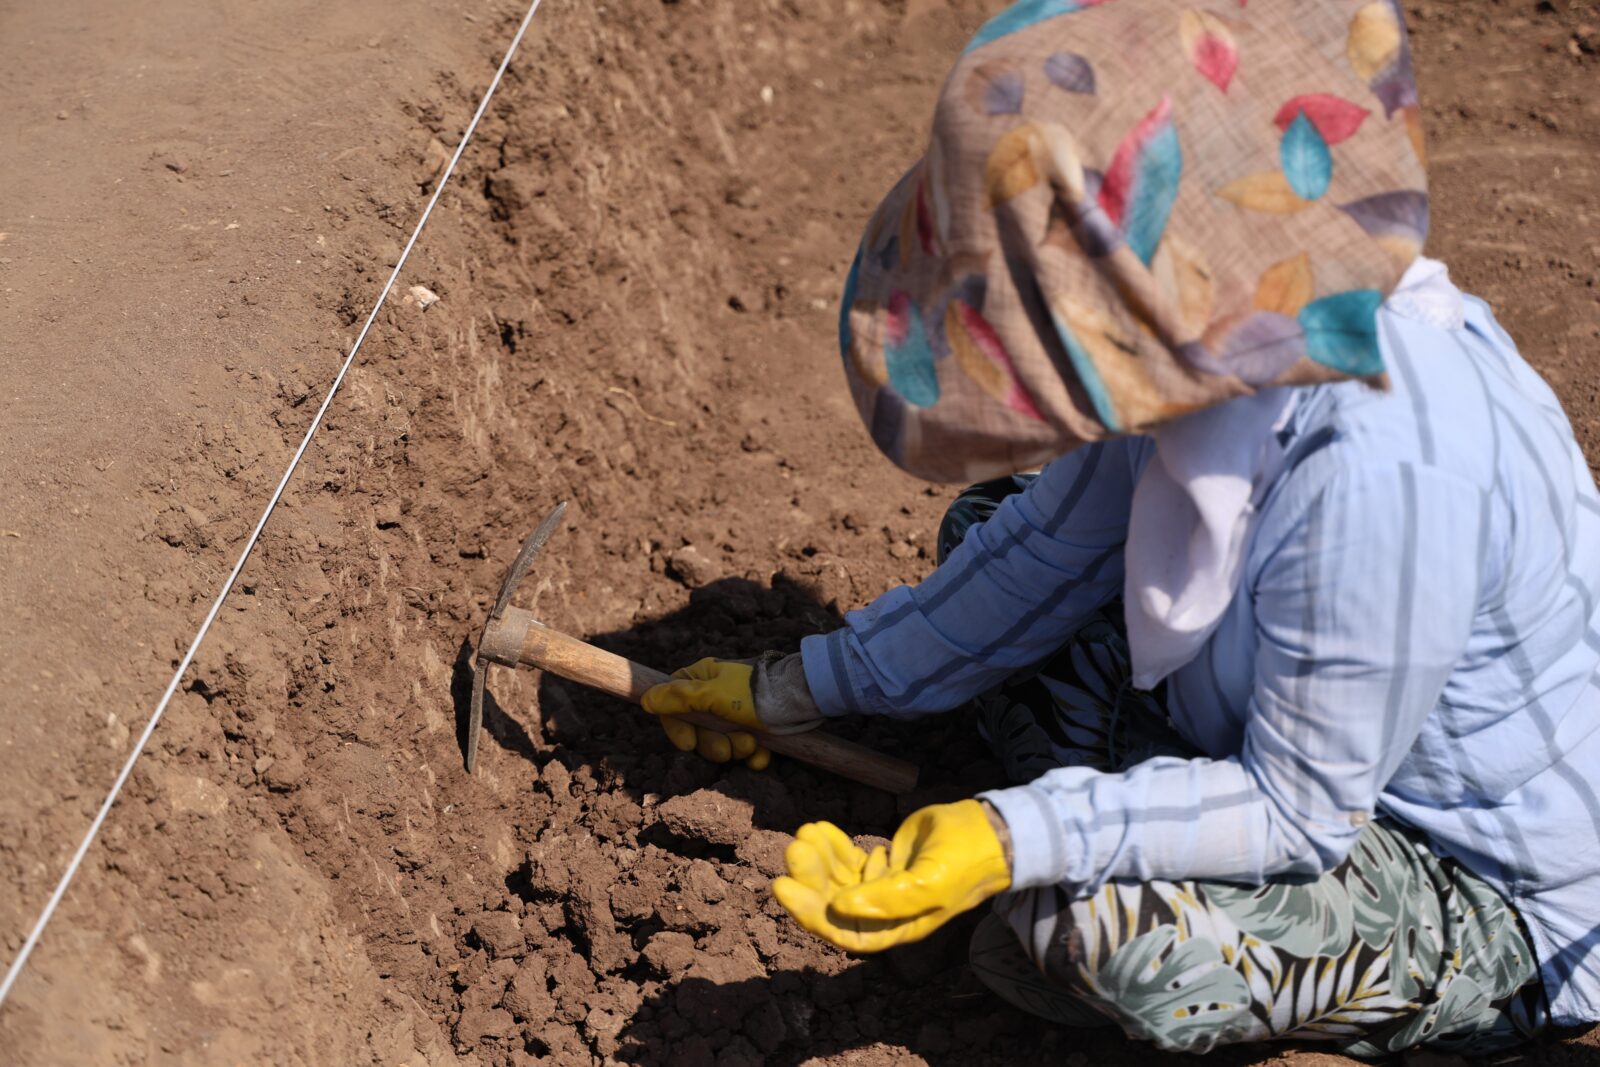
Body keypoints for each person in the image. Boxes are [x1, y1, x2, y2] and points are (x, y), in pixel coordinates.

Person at [642, 0, 1600, 1056]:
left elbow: (1300, 810)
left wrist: (1014, 836)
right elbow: (1052, 549)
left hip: (1465, 867)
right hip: (1280, 724)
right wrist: (797, 686)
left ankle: (1428, 1014)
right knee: (987, 529)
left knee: (1090, 927)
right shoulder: (1224, 337)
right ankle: (1081, 795)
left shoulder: (1385, 467)